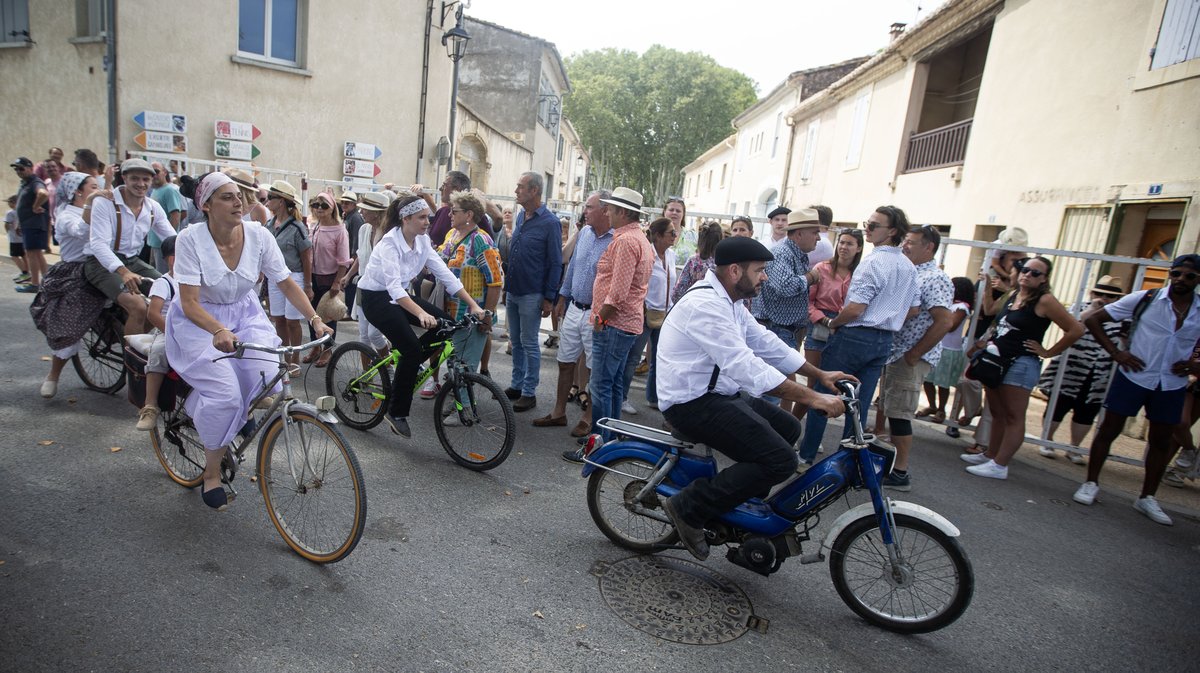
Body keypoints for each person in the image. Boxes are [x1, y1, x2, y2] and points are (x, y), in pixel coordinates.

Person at [653, 236, 853, 561]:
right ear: (735, 271)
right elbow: (745, 366)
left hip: (720, 395)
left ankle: (736, 510)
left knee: (789, 429)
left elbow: (764, 342)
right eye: (760, 270)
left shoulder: (730, 301)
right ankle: (690, 507)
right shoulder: (705, 306)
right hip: (691, 404)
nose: (765, 277)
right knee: (781, 460)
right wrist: (811, 397)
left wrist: (820, 376)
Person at [167, 172, 332, 510]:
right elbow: (189, 302)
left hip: (246, 316)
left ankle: (229, 420)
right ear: (207, 205)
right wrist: (217, 330)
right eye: (227, 196)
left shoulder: (259, 235)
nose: (237, 201)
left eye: (239, 195)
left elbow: (285, 282)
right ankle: (212, 473)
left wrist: (315, 319)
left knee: (267, 378)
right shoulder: (190, 239)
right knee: (226, 395)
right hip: (201, 323)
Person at [1071, 255, 1200, 525]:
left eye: (1189, 276)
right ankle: (1091, 483)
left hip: (1171, 383)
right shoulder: (1147, 299)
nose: (1181, 280)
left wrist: (1193, 363)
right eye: (1176, 273)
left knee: (1161, 441)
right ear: (1170, 274)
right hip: (1134, 376)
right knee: (1108, 430)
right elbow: (1095, 319)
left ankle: (1147, 497)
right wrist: (1116, 353)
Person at [358, 195, 488, 438]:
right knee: (412, 350)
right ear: (406, 219)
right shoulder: (389, 244)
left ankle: (409, 366)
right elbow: (394, 289)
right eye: (422, 217)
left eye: (428, 217)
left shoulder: (422, 241)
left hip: (400, 297)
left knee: (446, 327)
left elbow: (445, 274)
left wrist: (472, 305)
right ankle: (396, 412)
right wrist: (420, 313)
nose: (428, 221)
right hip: (376, 298)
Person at [797, 206, 919, 465]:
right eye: (868, 222)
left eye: (874, 225)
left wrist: (833, 323)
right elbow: (913, 308)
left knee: (825, 393)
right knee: (859, 405)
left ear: (893, 231)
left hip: (856, 335)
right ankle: (848, 462)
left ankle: (806, 456)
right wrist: (889, 317)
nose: (868, 228)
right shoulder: (908, 266)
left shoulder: (873, 263)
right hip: (884, 340)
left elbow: (855, 309)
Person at [961, 256, 1084, 480]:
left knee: (1013, 416)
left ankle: (1000, 465)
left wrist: (1048, 352)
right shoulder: (1014, 294)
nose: (1027, 274)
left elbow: (1075, 329)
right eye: (1025, 270)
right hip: (998, 361)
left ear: (1045, 279)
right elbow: (992, 315)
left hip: (1021, 364)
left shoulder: (1045, 300)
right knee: (997, 412)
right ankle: (991, 455)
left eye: (1035, 273)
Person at [877, 225, 954, 491]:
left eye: (911, 242)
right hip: (896, 353)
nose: (905, 246)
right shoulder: (912, 272)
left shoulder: (935, 278)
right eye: (905, 241)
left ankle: (900, 472)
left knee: (900, 414)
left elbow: (944, 321)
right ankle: (894, 466)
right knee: (892, 410)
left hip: (908, 356)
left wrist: (914, 354)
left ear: (929, 247)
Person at [536, 190, 613, 438]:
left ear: (605, 210)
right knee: (564, 360)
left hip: (596, 313)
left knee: (592, 368)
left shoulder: (616, 240)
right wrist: (562, 298)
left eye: (589, 207)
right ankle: (559, 412)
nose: (584, 212)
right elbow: (572, 269)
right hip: (574, 308)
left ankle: (588, 417)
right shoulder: (585, 233)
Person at [1035, 275, 1125, 463]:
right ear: (1092, 293)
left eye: (1110, 296)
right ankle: (1047, 440)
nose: (1103, 298)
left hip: (1099, 371)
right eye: (1099, 293)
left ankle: (1073, 447)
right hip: (1071, 366)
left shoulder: (1122, 316)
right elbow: (1071, 328)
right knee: (1058, 404)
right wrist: (1092, 310)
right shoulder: (1080, 308)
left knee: (1087, 411)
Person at [587, 187, 655, 439]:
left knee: (602, 385)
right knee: (612, 384)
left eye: (611, 209)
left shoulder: (627, 241)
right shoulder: (637, 238)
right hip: (623, 324)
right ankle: (611, 439)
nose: (607, 212)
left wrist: (600, 319)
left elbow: (617, 293)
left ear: (623, 212)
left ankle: (600, 442)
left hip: (614, 324)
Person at [31, 172, 102, 398]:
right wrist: (94, 203)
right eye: (93, 187)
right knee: (69, 322)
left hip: (104, 267)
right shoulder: (66, 215)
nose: (98, 190)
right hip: (75, 272)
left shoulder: (100, 209)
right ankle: (53, 375)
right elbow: (82, 230)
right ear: (78, 192)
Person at [83, 158, 173, 334]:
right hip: (100, 264)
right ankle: (131, 360)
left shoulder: (153, 207)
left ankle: (134, 338)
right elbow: (98, 244)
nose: (141, 184)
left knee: (168, 297)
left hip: (133, 261)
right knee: (138, 306)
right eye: (135, 178)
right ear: (124, 178)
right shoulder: (105, 203)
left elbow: (172, 239)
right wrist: (123, 272)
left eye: (145, 179)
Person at [751, 209, 824, 411]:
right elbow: (785, 286)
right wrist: (811, 277)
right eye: (815, 232)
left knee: (781, 387)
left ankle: (774, 432)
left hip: (784, 329)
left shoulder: (796, 254)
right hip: (777, 329)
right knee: (773, 390)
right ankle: (763, 437)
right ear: (799, 234)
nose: (818, 238)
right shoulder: (783, 253)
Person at [503, 172, 563, 412]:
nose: (516, 191)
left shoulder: (550, 222)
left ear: (534, 191)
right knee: (515, 341)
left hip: (532, 293)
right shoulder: (521, 217)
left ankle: (529, 392)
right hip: (514, 290)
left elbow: (555, 262)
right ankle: (516, 385)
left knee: (529, 343)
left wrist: (549, 297)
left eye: (521, 187)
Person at [438, 189, 501, 383]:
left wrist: (487, 316)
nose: (449, 215)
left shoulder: (480, 240)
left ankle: (463, 410)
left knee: (465, 369)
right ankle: (456, 404)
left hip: (471, 317)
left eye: (454, 211)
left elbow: (495, 282)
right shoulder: (452, 235)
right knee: (455, 365)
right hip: (450, 313)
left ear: (469, 215)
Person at [621, 217, 678, 409]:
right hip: (645, 312)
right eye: (671, 232)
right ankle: (622, 397)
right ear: (659, 236)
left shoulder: (671, 255)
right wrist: (642, 306)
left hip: (665, 312)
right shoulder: (647, 253)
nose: (675, 235)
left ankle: (653, 397)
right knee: (634, 356)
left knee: (659, 358)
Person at [333, 191, 390, 355]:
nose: (361, 212)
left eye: (365, 209)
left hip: (382, 291)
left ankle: (389, 370)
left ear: (377, 213)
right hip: (363, 287)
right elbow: (361, 255)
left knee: (375, 335)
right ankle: (365, 376)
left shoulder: (389, 234)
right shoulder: (364, 229)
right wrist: (349, 275)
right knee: (363, 336)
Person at [264, 180, 312, 370]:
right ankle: (284, 357)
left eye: (271, 198)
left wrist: (308, 285)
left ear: (281, 201)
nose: (267, 201)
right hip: (275, 278)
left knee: (293, 321)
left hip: (294, 276)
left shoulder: (297, 227)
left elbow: (306, 258)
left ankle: (295, 359)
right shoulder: (269, 224)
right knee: (279, 319)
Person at [135, 235, 180, 431]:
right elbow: (153, 314)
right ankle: (150, 405)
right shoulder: (164, 282)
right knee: (160, 350)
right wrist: (172, 333)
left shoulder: (199, 279)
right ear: (172, 259)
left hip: (194, 329)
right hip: (167, 330)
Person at [919, 276, 975, 429]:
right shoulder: (947, 304)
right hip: (937, 346)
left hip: (949, 350)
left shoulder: (962, 307)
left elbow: (950, 326)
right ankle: (932, 405)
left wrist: (941, 316)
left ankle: (942, 409)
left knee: (942, 383)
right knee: (928, 379)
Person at [804, 228, 862, 372]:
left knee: (838, 375)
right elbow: (807, 302)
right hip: (820, 323)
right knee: (815, 374)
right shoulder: (822, 268)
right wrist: (824, 320)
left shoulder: (861, 273)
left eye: (849, 244)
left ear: (859, 248)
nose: (843, 247)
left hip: (847, 325)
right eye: (841, 242)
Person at [304, 192, 350, 368]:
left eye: (324, 205)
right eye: (316, 205)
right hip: (313, 276)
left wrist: (337, 282)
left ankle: (327, 349)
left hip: (329, 277)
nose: (319, 209)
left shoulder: (339, 229)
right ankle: (316, 347)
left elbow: (344, 259)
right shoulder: (314, 226)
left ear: (332, 209)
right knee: (312, 313)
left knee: (328, 315)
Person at [11, 157, 50, 292]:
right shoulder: (25, 183)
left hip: (35, 224)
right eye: (16, 169)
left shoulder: (35, 182)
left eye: (21, 168)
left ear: (30, 168)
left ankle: (35, 284)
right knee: (36, 253)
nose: (18, 171)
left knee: (32, 253)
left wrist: (35, 206)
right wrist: (18, 223)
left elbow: (43, 193)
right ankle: (47, 282)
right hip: (28, 224)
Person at [672, 220, 723, 303]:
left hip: (693, 307)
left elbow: (678, 293)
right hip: (716, 309)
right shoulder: (724, 264)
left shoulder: (693, 261)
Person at [148, 162, 185, 272]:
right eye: (151, 172)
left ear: (165, 172)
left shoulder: (170, 190)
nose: (153, 175)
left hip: (163, 245)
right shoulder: (155, 190)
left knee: (162, 276)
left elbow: (176, 216)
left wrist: (169, 243)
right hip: (154, 242)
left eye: (156, 171)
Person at [339, 190, 364, 316]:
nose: (344, 205)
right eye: (343, 202)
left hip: (352, 257)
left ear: (354, 205)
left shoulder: (355, 218)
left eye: (347, 203)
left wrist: (353, 259)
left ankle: (350, 310)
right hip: (348, 256)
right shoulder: (348, 216)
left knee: (350, 284)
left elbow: (356, 241)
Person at [5, 194, 29, 284]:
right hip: (22, 238)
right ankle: (27, 272)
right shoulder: (22, 212)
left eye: (10, 202)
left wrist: (8, 232)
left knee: (14, 256)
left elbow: (7, 224)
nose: (9, 204)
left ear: (15, 203)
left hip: (14, 239)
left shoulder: (10, 213)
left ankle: (24, 272)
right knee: (24, 255)